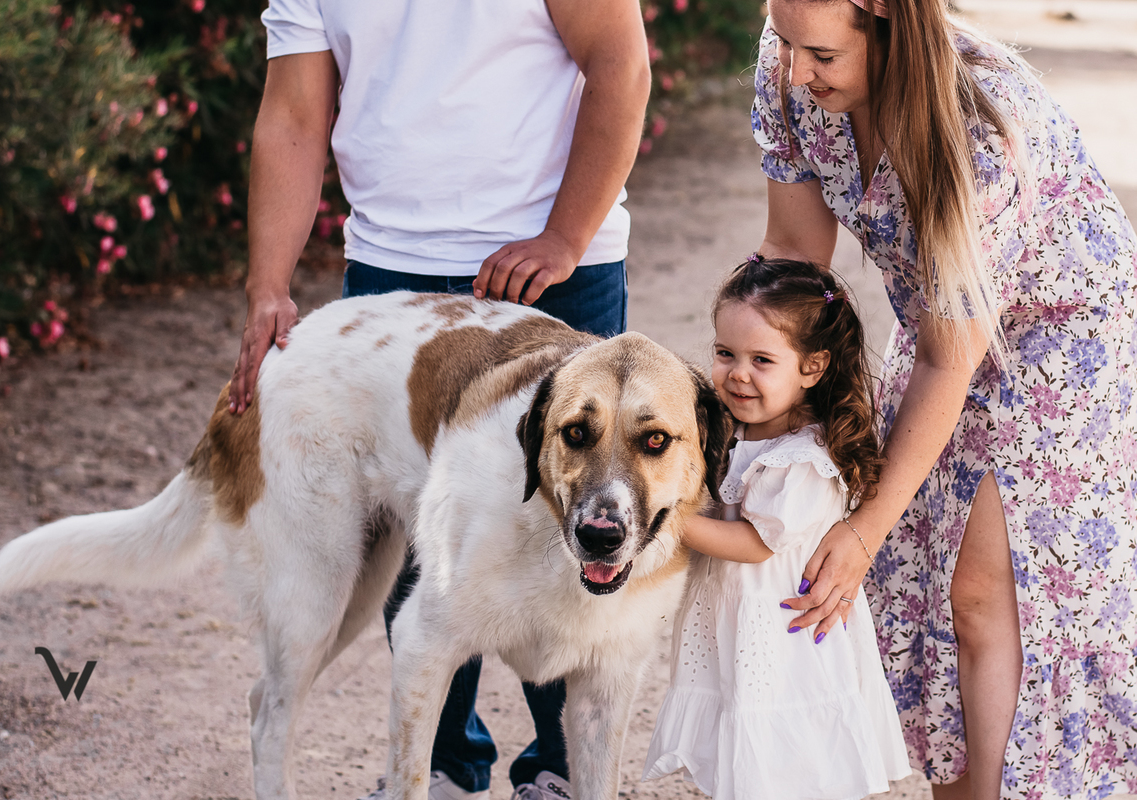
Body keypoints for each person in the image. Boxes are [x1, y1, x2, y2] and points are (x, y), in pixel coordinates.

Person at [224, 2, 650, 800]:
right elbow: (294, 111)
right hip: (394, 266)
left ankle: (558, 768)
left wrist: (563, 238)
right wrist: (268, 286)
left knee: (565, 526)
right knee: (427, 540)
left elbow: (619, 64)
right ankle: (445, 769)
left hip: (554, 266)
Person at [752, 1, 1137, 798]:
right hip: (941, 320)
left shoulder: (982, 127)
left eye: (819, 53)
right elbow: (794, 254)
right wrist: (749, 418)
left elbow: (946, 358)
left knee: (980, 588)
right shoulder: (790, 58)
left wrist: (859, 532)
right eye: (784, 43)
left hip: (1064, 337)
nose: (794, 71)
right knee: (928, 579)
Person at [643, 256, 911, 800]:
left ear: (812, 368)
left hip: (781, 635)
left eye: (762, 359)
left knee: (786, 750)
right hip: (737, 625)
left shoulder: (801, 459)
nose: (737, 373)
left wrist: (664, 519)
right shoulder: (733, 431)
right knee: (743, 751)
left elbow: (753, 544)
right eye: (725, 354)